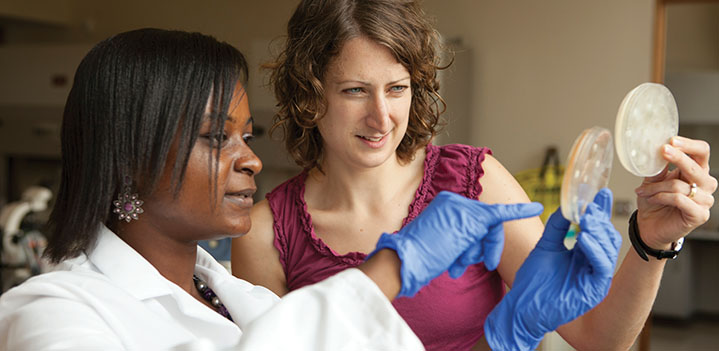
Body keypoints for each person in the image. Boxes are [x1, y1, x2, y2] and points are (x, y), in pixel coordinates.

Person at [0, 28, 552, 350]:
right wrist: (390, 270)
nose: (252, 159)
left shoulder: (245, 302)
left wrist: (505, 339)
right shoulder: (49, 313)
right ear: (128, 160)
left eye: (247, 134)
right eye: (218, 137)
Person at [231, 0, 718, 350]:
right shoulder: (265, 235)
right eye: (356, 90)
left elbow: (600, 337)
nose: (382, 118)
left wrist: (651, 243)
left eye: (397, 88)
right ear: (309, 96)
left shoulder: (473, 180)